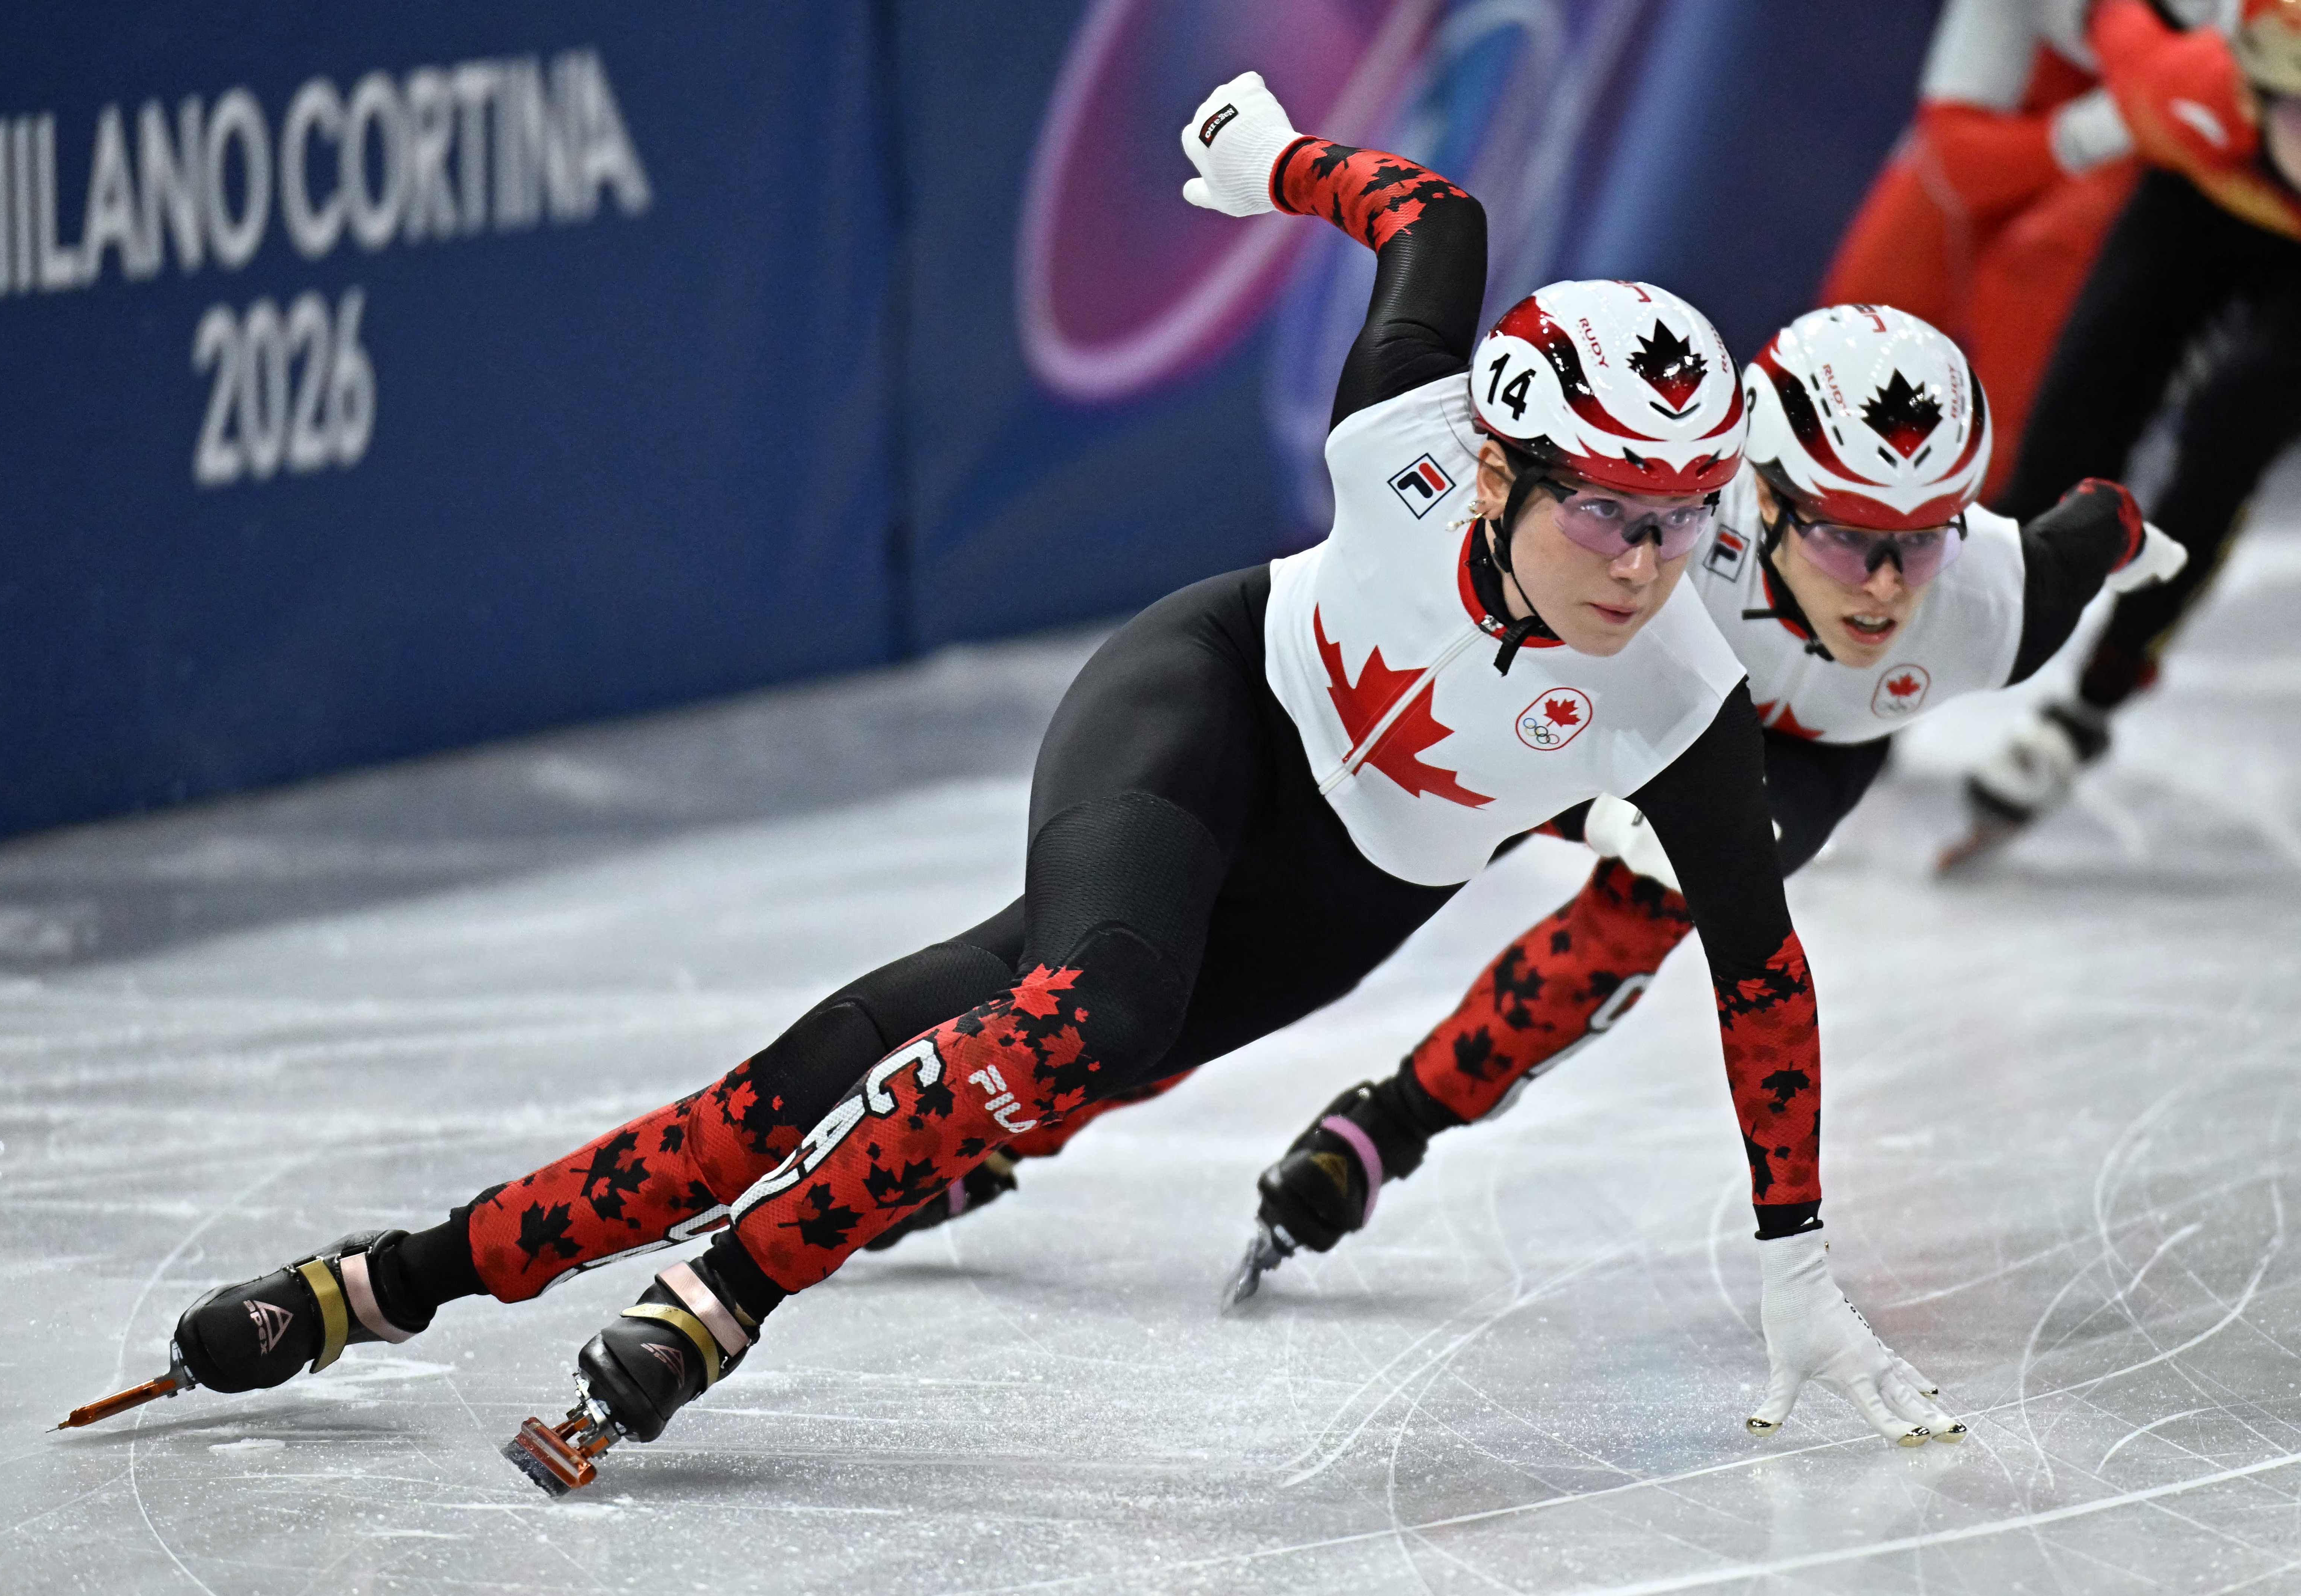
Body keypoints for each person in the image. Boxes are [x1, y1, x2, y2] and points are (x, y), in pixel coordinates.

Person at [87, 72, 1959, 1485]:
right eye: (1610, 514)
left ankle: (385, 1278)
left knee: (860, 1069)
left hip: (1337, 897)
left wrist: (1795, 1250)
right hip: (1204, 705)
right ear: (1496, 473)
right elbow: (1434, 215)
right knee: (1085, 1004)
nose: (1647, 563)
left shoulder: (1679, 697)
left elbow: (1758, 970)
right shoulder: (1403, 438)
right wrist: (1277, 163)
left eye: (1683, 520)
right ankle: (725, 1296)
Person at [887, 310, 2186, 1419]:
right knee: (1259, 919)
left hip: (1784, 766)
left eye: (1926, 537)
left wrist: (2138, 535)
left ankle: (1389, 1125)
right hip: (1595, 713)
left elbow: (2098, 526)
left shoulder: (1999, 603)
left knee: (1653, 904)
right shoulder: (1660, 537)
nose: (1891, 586)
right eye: (1848, 536)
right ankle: (1022, 1115)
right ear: (1757, 497)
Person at [1956, 0, 2301, 859]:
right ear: (2256, 89)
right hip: (2196, 181)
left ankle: (2092, 701)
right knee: (2071, 429)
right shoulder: (2178, 80)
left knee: (2232, 427)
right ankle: (1899, 653)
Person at [1820, 0, 2142, 492]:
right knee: (1867, 317)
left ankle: (2005, 507)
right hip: (2085, 98)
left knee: (2039, 263)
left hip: (2168, 124)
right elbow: (1958, 159)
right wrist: (2087, 132)